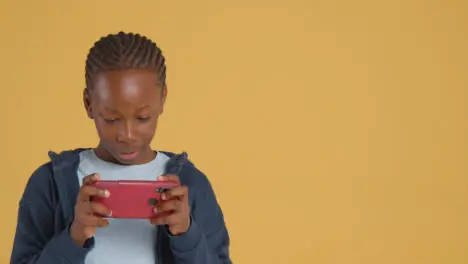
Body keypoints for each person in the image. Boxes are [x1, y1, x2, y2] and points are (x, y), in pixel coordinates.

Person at [10, 31, 231, 264]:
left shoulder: (191, 184)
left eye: (143, 117)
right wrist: (73, 237)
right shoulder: (49, 184)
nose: (127, 135)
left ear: (162, 99)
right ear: (88, 104)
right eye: (111, 119)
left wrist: (186, 233)